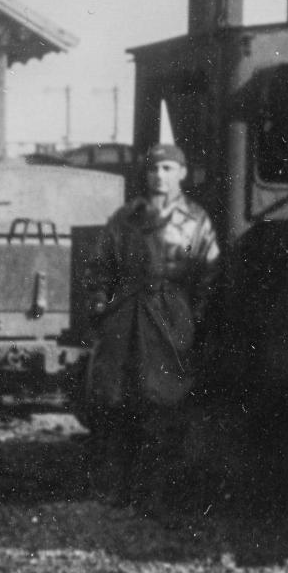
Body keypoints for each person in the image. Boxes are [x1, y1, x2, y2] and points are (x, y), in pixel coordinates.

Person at [83, 143, 219, 510]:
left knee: (164, 402)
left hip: (170, 314)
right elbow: (100, 264)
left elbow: (209, 274)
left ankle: (157, 495)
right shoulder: (126, 217)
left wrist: (195, 318)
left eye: (168, 169)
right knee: (119, 400)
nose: (159, 177)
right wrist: (100, 303)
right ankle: (117, 490)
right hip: (126, 313)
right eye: (153, 170)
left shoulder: (196, 220)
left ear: (182, 174)